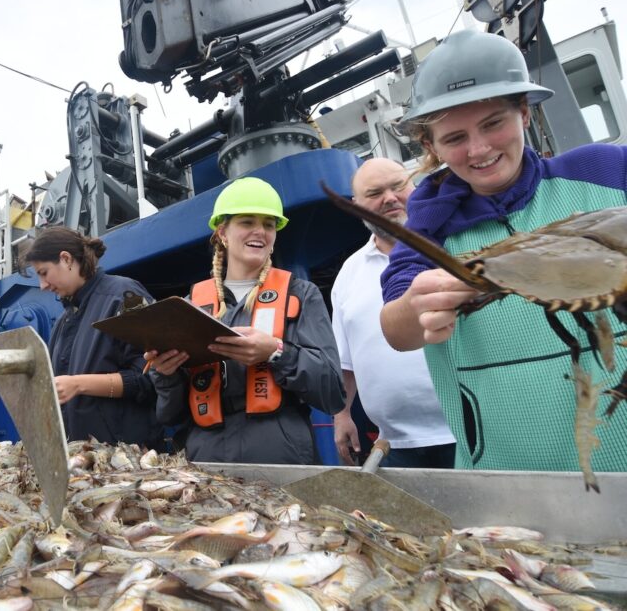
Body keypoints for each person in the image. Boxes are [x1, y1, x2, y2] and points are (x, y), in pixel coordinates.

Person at [380, 28, 627, 472]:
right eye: (454, 138)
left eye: (493, 123)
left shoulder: (606, 172)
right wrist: (418, 305)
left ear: (524, 114)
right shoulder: (428, 231)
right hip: (511, 472)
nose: (479, 149)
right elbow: (397, 329)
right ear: (430, 146)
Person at [146, 177, 344, 464]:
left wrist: (277, 352)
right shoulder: (188, 307)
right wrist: (165, 374)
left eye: (269, 224)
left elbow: (332, 393)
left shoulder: (301, 294)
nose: (260, 232)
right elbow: (170, 415)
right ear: (222, 232)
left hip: (280, 453)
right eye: (247, 222)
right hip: (207, 458)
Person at [331, 158, 455, 468]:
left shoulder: (456, 245)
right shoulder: (349, 272)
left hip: (470, 434)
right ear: (356, 205)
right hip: (393, 445)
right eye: (374, 193)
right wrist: (342, 415)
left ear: (415, 186)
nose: (389, 198)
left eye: (397, 186)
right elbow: (346, 361)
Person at [22, 227, 163, 450]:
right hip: (81, 458)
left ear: (66, 259)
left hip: (126, 458)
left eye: (43, 272)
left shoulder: (123, 295)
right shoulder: (63, 321)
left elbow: (151, 378)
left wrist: (78, 385)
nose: (43, 285)